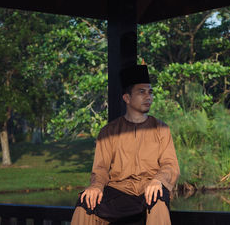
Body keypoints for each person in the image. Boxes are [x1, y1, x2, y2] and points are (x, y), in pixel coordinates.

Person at [71, 65, 180, 225]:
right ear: (127, 98)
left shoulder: (161, 129)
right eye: (141, 92)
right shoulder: (109, 132)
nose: (148, 97)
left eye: (150, 92)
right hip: (119, 192)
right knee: (86, 203)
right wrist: (96, 186)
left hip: (149, 189)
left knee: (158, 198)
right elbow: (100, 169)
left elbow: (170, 165)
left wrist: (159, 180)